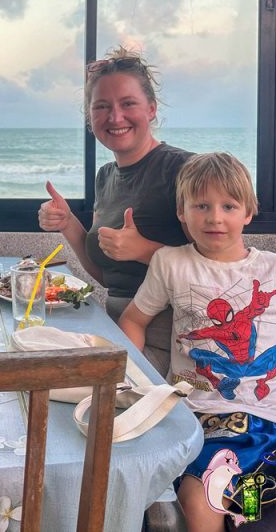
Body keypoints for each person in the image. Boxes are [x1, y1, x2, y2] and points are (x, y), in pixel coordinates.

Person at [118, 153, 276, 531]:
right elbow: (134, 320)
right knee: (132, 478)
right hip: (184, 415)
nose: (214, 218)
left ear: (249, 212)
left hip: (257, 422)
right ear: (182, 212)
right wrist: (140, 385)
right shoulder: (170, 263)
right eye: (201, 206)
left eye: (228, 206)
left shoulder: (275, 269)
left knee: (201, 496)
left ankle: (241, 502)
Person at [38, 47, 192, 374]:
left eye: (128, 104)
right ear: (90, 117)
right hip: (115, 326)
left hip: (173, 340)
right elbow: (106, 275)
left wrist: (145, 250)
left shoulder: (184, 169)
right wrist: (68, 222)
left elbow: (222, 268)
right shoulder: (106, 176)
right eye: (102, 107)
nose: (115, 117)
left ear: (151, 109)